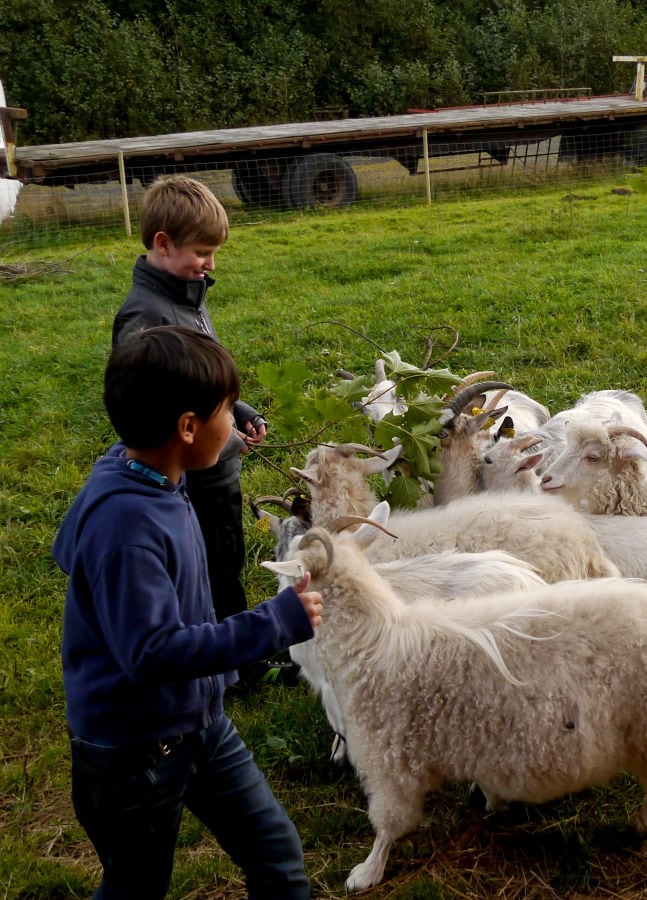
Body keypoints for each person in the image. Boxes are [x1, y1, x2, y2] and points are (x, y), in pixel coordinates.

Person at [53, 326, 323, 899]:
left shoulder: (151, 476)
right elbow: (152, 652)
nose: (233, 423)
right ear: (187, 428)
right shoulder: (126, 524)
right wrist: (274, 622)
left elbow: (68, 549)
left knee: (277, 857)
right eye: (227, 411)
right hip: (135, 752)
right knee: (136, 886)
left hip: (199, 723)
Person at [112, 174, 288, 685]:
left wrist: (242, 409)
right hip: (193, 474)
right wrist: (227, 437)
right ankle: (228, 668)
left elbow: (202, 379)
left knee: (226, 557)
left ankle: (243, 659)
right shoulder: (145, 318)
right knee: (205, 569)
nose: (210, 264)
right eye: (203, 252)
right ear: (162, 244)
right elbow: (158, 412)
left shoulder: (185, 294)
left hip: (215, 460)